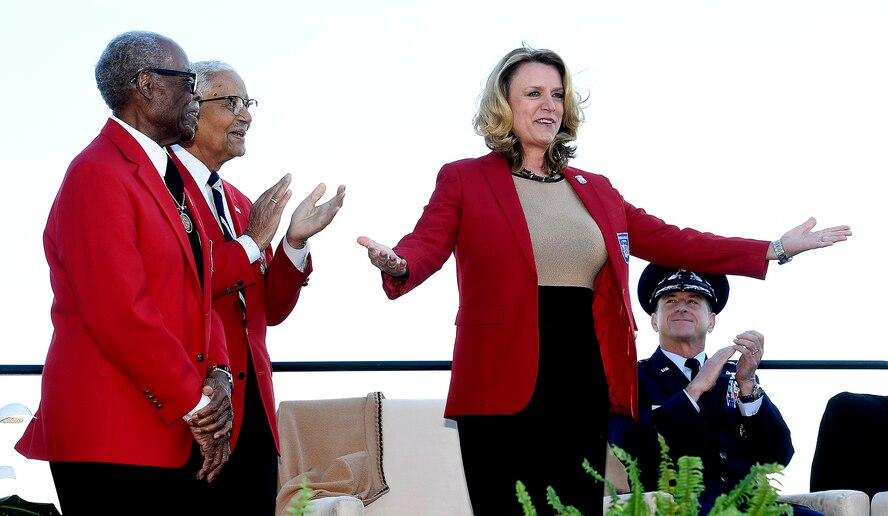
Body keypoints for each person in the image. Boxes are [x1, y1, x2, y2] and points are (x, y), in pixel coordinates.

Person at [356, 45, 851, 514]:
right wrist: (400, 263)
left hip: (582, 379)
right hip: (497, 380)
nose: (548, 105)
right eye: (533, 94)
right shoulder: (465, 178)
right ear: (504, 105)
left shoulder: (598, 191)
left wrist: (774, 248)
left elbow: (677, 241)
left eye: (557, 94)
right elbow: (425, 243)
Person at [15, 31, 233, 515]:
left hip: (170, 428)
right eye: (188, 80)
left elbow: (202, 293)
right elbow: (117, 313)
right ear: (146, 85)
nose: (197, 94)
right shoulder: (96, 172)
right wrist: (197, 406)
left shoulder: (170, 175)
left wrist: (220, 375)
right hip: (113, 432)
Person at [169, 60, 345, 514]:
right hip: (200, 410)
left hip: (255, 416)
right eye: (231, 102)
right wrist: (252, 241)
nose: (246, 115)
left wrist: (293, 242)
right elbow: (180, 288)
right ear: (190, 106)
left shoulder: (242, 202)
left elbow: (270, 309)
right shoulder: (161, 186)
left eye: (248, 103)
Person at [608, 264, 822, 515]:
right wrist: (694, 390)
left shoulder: (735, 376)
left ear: (711, 321)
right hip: (680, 506)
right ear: (654, 321)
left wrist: (747, 386)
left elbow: (777, 457)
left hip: (747, 504)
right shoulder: (631, 379)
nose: (681, 307)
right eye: (670, 300)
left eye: (693, 301)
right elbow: (629, 449)